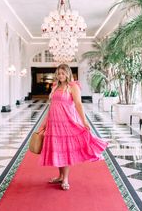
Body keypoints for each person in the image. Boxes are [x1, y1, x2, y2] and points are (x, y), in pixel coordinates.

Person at [38, 63, 108, 191]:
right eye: (58, 73)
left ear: (68, 73)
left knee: (65, 150)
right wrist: (43, 124)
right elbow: (51, 107)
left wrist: (84, 121)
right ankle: (60, 176)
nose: (60, 76)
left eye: (63, 73)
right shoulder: (55, 86)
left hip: (67, 122)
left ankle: (65, 178)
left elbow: (78, 104)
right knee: (58, 149)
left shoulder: (73, 86)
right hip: (54, 123)